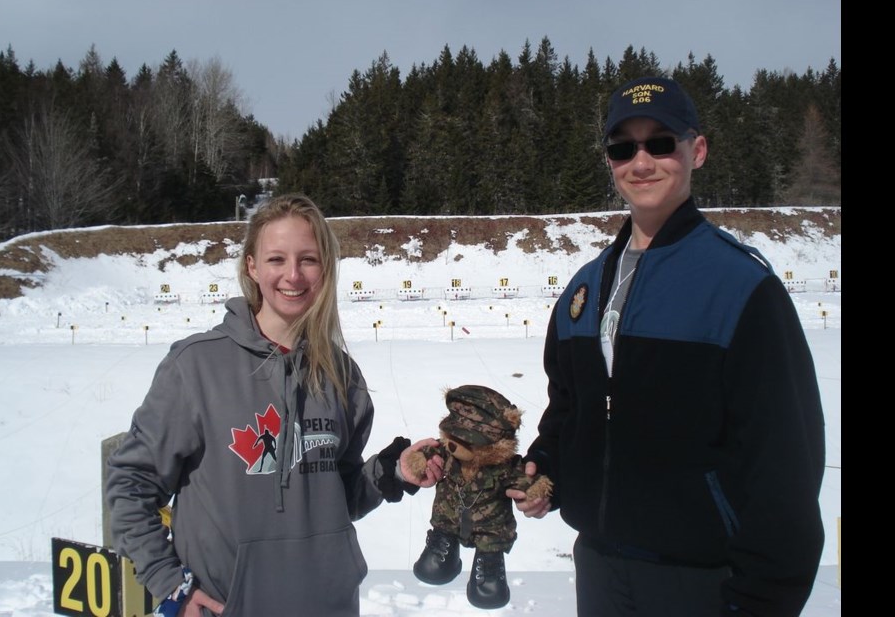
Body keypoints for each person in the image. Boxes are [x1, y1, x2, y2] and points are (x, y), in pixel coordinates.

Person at [507, 76, 826, 617]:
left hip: (704, 580)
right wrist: (547, 467)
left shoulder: (742, 287)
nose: (641, 161)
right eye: (623, 147)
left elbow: (785, 464)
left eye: (660, 142)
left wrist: (762, 599)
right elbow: (572, 406)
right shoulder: (584, 288)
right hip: (600, 569)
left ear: (696, 150)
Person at [106, 193, 444, 617]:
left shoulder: (343, 375)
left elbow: (335, 497)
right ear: (251, 266)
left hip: (328, 605)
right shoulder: (195, 366)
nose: (293, 276)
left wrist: (393, 471)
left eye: (309, 259)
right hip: (226, 606)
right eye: (276, 259)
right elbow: (130, 485)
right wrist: (170, 582)